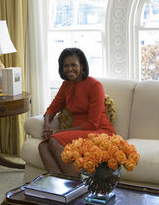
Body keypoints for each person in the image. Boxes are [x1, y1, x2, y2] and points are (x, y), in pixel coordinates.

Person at [39, 48, 116, 176]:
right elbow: (52, 109)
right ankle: (61, 185)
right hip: (78, 133)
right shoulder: (66, 85)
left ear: (82, 65)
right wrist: (47, 124)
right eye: (66, 66)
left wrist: (58, 132)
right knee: (43, 146)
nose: (70, 69)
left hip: (99, 132)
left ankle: (76, 185)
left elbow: (92, 124)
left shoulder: (95, 85)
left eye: (73, 65)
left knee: (53, 140)